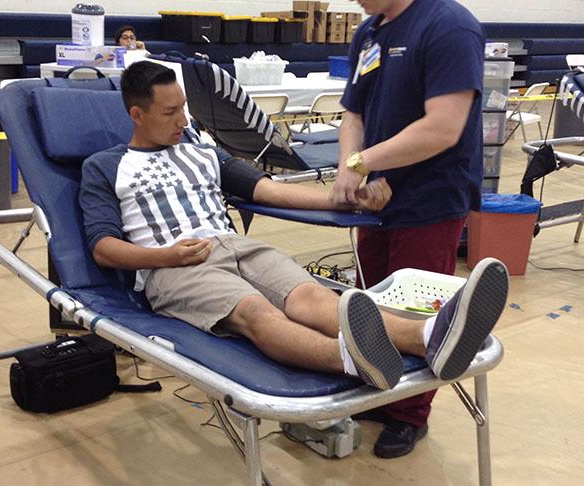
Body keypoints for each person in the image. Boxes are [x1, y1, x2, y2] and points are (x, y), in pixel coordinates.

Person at [79, 61, 507, 398]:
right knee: (255, 313)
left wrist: (349, 197)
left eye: (184, 108)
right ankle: (352, 360)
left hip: (235, 246)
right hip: (173, 266)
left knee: (312, 298)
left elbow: (271, 191)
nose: (183, 120)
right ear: (137, 114)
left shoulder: (203, 153)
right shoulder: (106, 167)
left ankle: (429, 336)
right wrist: (164, 257)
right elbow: (103, 247)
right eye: (171, 112)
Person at [330, 0, 487, 459]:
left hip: (430, 198)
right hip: (375, 197)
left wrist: (362, 163)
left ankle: (410, 413)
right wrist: (349, 169)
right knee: (372, 302)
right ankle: (379, 390)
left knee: (416, 309)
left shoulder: (449, 26)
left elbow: (442, 127)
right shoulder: (369, 33)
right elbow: (354, 115)